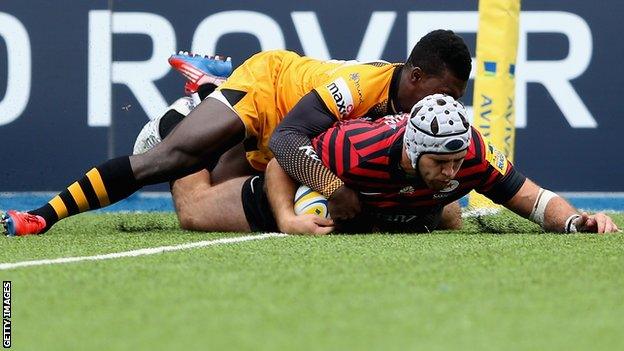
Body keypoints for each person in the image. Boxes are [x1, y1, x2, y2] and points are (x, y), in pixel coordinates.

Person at [2, 29, 472, 236]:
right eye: (445, 92)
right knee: (170, 159)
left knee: (210, 193)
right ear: (413, 77)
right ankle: (43, 216)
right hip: (269, 92)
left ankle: (206, 84)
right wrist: (333, 187)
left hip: (284, 143)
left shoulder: (419, 116)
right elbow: (289, 139)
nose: (449, 105)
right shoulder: (361, 88)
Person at [162, 94, 621, 234]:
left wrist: (577, 221)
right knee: (196, 212)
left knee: (449, 212)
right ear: (413, 149)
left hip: (379, 201)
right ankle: (181, 119)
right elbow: (287, 155)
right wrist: (285, 218)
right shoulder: (354, 148)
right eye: (440, 163)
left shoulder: (471, 154)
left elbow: (533, 199)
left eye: (457, 162)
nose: (452, 172)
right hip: (311, 182)